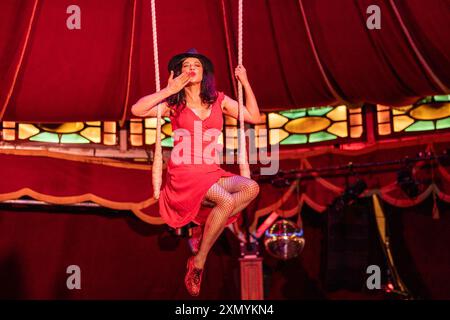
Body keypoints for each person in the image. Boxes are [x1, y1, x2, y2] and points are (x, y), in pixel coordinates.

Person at [131, 49, 261, 296]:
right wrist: (168, 90)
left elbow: (253, 116)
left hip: (211, 170)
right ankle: (199, 260)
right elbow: (137, 110)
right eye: (186, 65)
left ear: (204, 73)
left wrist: (244, 82)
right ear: (179, 73)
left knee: (251, 188)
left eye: (197, 65)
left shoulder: (219, 100)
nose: (192, 67)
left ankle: (207, 227)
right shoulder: (173, 105)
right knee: (224, 199)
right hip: (185, 172)